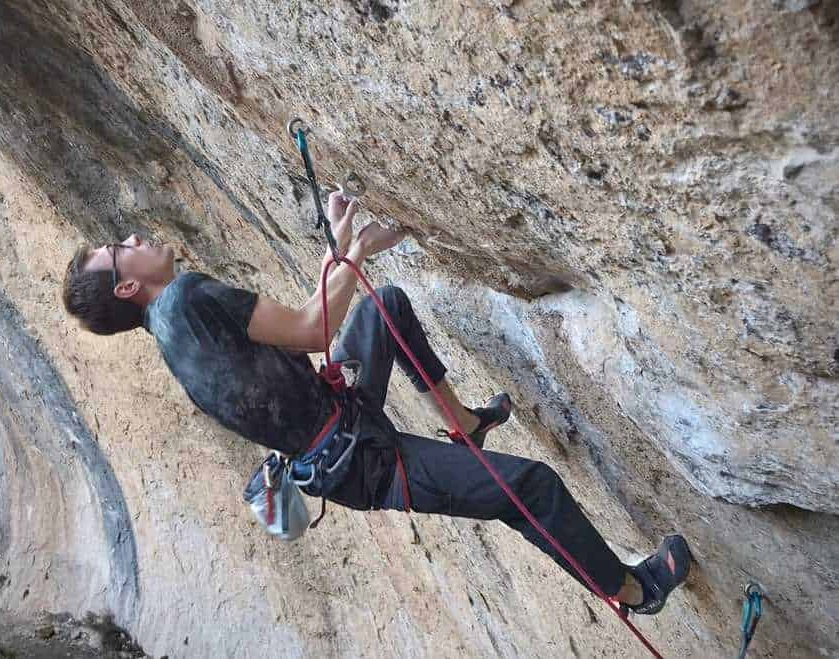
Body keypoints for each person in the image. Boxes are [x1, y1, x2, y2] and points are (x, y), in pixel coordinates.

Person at [61, 191, 690, 616]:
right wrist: (350, 246)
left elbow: (307, 329)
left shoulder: (171, 335)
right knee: (530, 486)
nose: (135, 235)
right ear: (126, 283)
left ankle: (464, 424)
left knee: (385, 305)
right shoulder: (187, 298)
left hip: (340, 425)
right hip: (364, 460)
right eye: (121, 246)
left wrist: (347, 248)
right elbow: (312, 328)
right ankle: (635, 590)